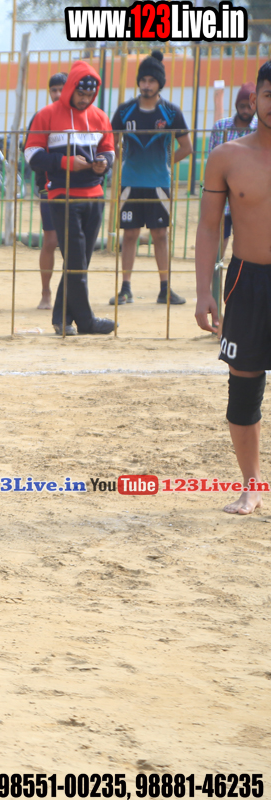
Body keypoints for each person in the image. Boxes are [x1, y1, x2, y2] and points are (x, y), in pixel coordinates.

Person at [193, 61, 271, 515]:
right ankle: (252, 486)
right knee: (243, 390)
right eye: (269, 94)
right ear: (255, 98)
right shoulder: (226, 157)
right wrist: (204, 290)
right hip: (247, 281)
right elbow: (208, 228)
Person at [24, 60, 116, 335]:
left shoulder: (100, 117)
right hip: (62, 196)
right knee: (76, 261)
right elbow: (31, 155)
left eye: (90, 95)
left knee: (79, 261)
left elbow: (109, 149)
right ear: (70, 89)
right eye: (81, 94)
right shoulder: (46, 115)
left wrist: (104, 163)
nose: (85, 99)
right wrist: (65, 163)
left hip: (95, 196)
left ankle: (61, 319)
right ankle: (86, 321)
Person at [110, 51, 191, 306]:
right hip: (130, 183)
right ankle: (125, 289)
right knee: (129, 235)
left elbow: (187, 148)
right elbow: (111, 144)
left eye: (151, 81)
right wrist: (125, 161)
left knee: (160, 235)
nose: (146, 85)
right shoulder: (124, 111)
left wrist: (165, 163)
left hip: (159, 184)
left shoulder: (171, 113)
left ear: (160, 83)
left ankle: (165, 289)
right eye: (143, 80)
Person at [28, 72, 68, 310]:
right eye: (54, 89)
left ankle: (70, 294)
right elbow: (32, 153)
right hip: (49, 188)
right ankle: (46, 293)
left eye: (61, 89)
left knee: (73, 244)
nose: (57, 94)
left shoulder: (79, 117)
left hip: (78, 189)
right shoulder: (41, 117)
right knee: (50, 240)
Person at [206, 81, 256, 261]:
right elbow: (211, 162)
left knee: (247, 248)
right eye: (242, 106)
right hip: (223, 197)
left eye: (249, 106)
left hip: (251, 200)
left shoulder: (262, 129)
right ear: (236, 105)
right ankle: (215, 276)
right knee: (217, 245)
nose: (245, 111)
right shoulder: (221, 127)